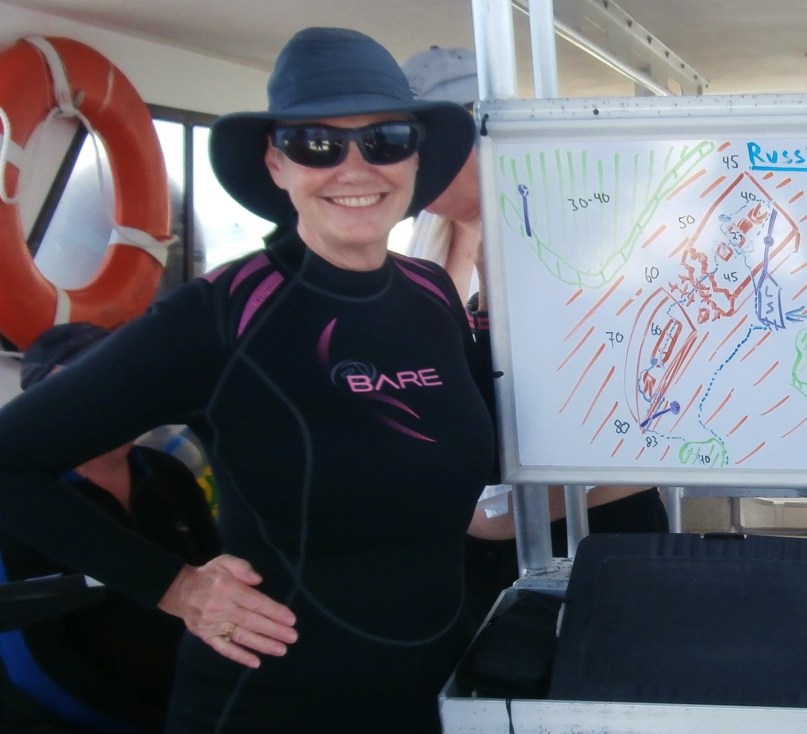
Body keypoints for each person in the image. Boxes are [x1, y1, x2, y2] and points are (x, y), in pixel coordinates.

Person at [0, 28, 494, 733]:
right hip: (276, 705)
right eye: (317, 143)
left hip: (434, 694)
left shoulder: (432, 294)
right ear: (275, 161)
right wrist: (174, 587)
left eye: (384, 138)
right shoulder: (221, 315)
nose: (355, 168)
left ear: (416, 155)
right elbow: (10, 458)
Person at [401, 46, 669, 624]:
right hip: (467, 555)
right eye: (405, 144)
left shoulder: (578, 240)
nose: (418, 163)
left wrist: (507, 511)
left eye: (439, 140)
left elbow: (636, 408)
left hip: (596, 538)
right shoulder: (420, 245)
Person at [0, 322, 220, 733]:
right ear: (37, 404)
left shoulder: (167, 473)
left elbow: (221, 584)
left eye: (120, 384)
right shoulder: (15, 498)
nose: (108, 402)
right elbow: (29, 667)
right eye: (82, 388)